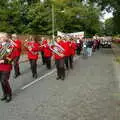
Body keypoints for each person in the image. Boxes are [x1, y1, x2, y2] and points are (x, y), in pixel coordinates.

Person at [0, 33, 15, 102]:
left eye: (1, 37)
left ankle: (9, 94)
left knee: (4, 80)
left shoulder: (10, 46)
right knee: (1, 81)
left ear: (5, 38)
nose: (0, 38)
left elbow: (11, 58)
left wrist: (3, 61)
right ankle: (5, 94)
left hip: (6, 66)